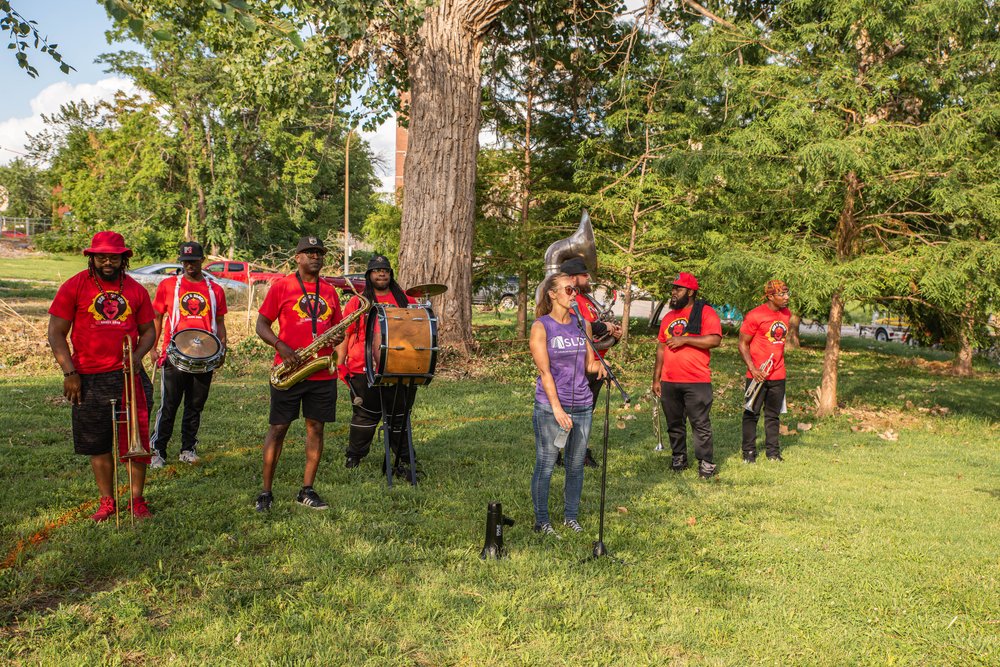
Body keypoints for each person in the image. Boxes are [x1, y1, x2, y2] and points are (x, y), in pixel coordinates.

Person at [47, 231, 156, 521]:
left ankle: (136, 500)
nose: (108, 261)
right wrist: (69, 372)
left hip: (128, 376)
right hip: (89, 377)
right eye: (102, 256)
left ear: (124, 259)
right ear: (92, 258)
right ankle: (107, 501)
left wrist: (136, 356)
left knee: (136, 440)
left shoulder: (136, 290)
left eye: (114, 256)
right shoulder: (74, 286)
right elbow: (56, 333)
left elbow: (149, 332)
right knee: (98, 442)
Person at [253, 236, 344, 512]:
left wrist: (338, 336)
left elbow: (337, 327)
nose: (315, 256)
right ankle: (266, 492)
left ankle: (307, 490)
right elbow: (261, 324)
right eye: (309, 252)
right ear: (298, 258)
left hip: (321, 372)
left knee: (316, 428)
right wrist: (281, 346)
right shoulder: (282, 287)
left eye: (319, 252)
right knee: (278, 429)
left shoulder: (329, 291)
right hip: (289, 369)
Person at [530, 272, 606, 537]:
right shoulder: (542, 326)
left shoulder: (581, 324)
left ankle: (570, 517)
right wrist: (557, 409)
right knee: (547, 462)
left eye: (575, 290)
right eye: (568, 290)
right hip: (551, 407)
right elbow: (545, 373)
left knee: (575, 465)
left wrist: (601, 366)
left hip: (583, 404)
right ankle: (542, 521)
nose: (574, 294)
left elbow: (588, 364)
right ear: (553, 294)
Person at [335, 254, 419, 476]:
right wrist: (340, 363)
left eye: (385, 270)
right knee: (364, 416)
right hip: (363, 367)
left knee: (399, 415)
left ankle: (404, 456)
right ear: (369, 275)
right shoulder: (358, 301)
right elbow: (345, 334)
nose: (382, 273)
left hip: (399, 365)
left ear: (391, 275)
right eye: (376, 270)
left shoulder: (406, 302)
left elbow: (418, 333)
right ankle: (354, 456)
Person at [149, 241, 228, 468]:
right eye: (185, 261)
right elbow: (157, 317)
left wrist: (223, 348)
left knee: (195, 404)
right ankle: (158, 450)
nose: (189, 266)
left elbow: (220, 322)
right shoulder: (168, 286)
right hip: (174, 355)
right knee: (169, 404)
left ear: (202, 261)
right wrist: (153, 348)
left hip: (205, 357)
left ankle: (187, 449)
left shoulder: (215, 290)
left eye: (193, 261)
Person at [651, 272, 723, 479]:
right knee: (674, 422)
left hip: (696, 380)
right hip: (670, 380)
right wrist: (656, 378)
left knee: (700, 423)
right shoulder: (668, 317)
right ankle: (678, 457)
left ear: (690, 292)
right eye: (673, 289)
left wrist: (685, 340)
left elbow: (714, 340)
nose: (674, 293)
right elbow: (661, 348)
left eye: (678, 289)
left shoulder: (705, 313)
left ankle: (706, 462)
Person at [554, 256, 622, 469]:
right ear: (573, 278)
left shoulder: (588, 300)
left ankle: (579, 451)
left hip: (595, 362)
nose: (588, 278)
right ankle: (556, 451)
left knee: (586, 410)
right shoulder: (569, 300)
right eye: (584, 275)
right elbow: (581, 325)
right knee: (570, 410)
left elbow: (596, 330)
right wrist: (605, 327)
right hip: (578, 364)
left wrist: (614, 335)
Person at [738, 279, 791, 462]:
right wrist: (753, 369)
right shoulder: (755, 315)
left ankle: (773, 453)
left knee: (773, 416)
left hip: (778, 373)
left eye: (787, 293)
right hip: (757, 375)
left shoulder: (786, 314)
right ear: (770, 296)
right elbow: (742, 344)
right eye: (781, 294)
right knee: (751, 413)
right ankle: (749, 453)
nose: (786, 297)